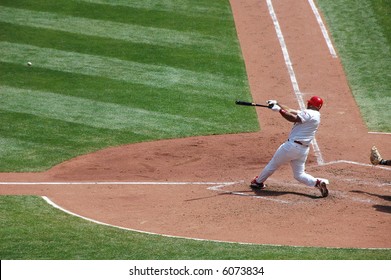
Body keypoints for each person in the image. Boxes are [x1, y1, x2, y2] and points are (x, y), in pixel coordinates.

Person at [250, 96, 329, 197]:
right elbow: (291, 110)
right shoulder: (316, 114)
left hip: (291, 147)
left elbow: (293, 118)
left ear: (310, 104)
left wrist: (280, 111)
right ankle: (317, 182)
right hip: (303, 150)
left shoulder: (308, 113)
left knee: (273, 164)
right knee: (299, 175)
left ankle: (258, 182)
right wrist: (278, 104)